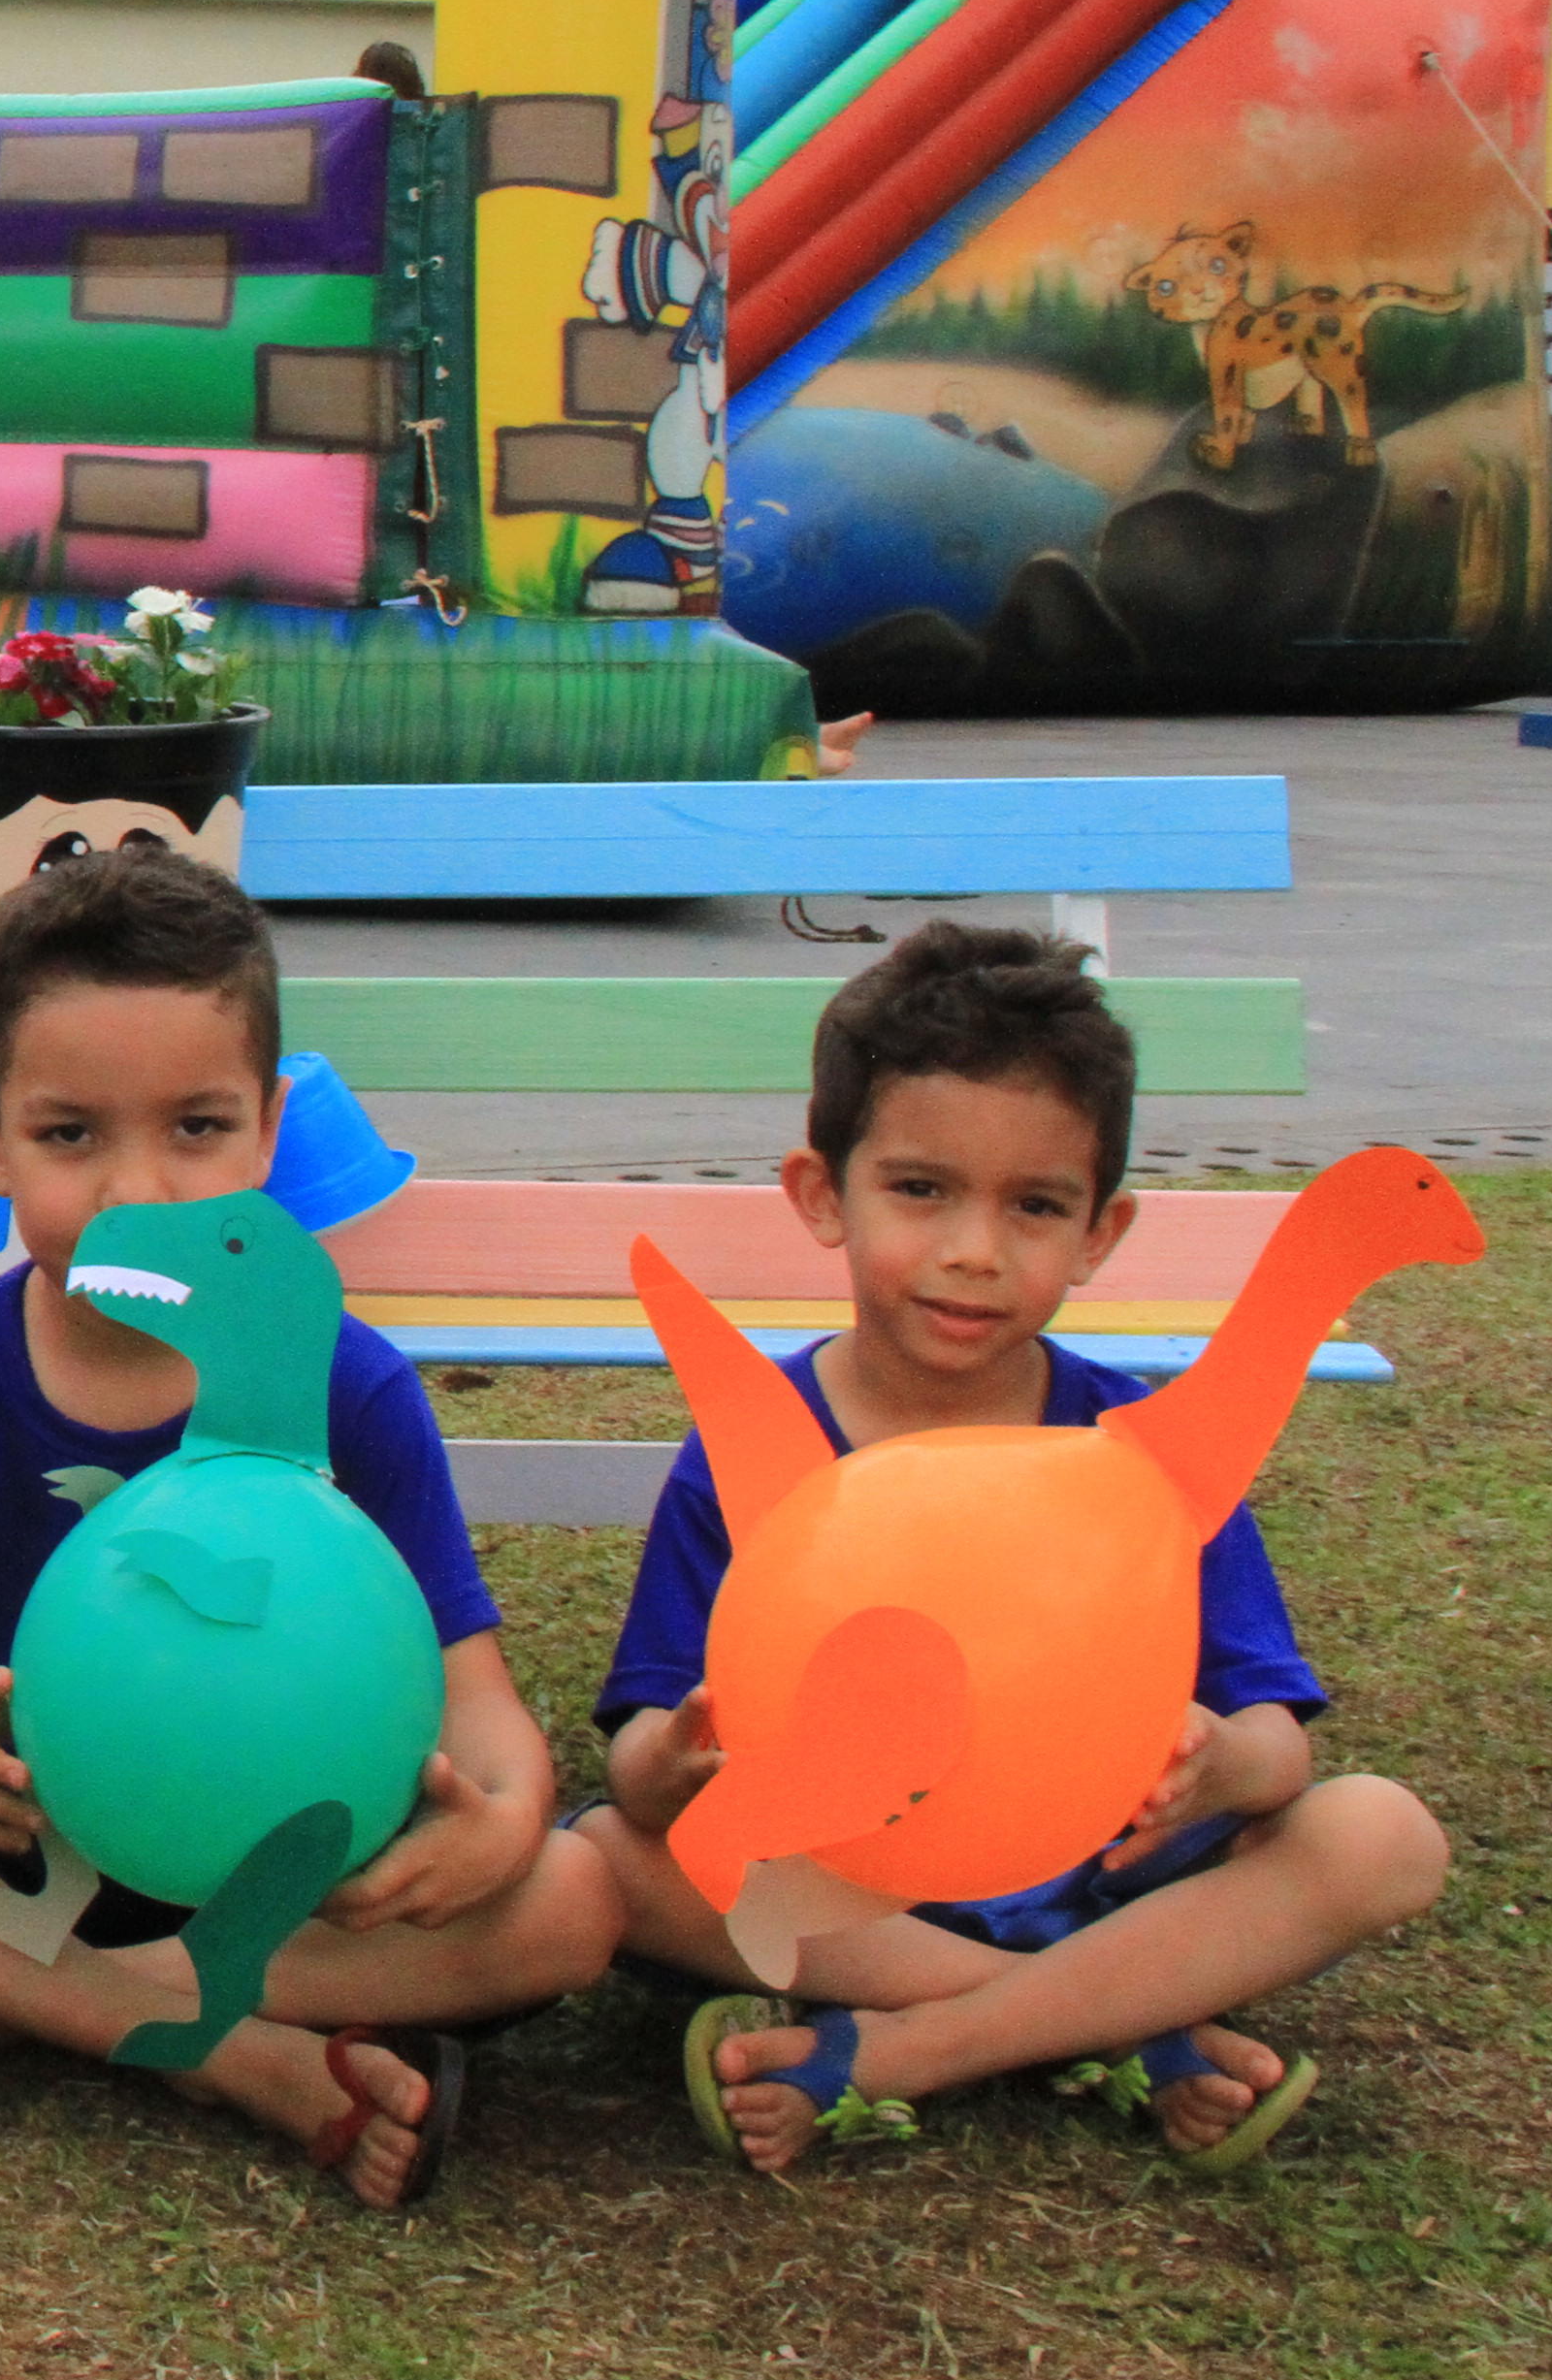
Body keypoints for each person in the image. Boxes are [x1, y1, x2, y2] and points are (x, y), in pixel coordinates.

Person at [0, 850, 617, 2211]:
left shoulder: (348, 1385)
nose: (142, 1192)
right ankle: (225, 2052)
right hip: (2, 1854)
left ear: (269, 1129)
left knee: (577, 1897)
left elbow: (474, 1697)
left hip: (278, 1889)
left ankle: (24, 2003)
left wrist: (506, 1815)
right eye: (72, 1136)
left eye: (195, 1129)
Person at [576, 922, 1453, 2175]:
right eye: (921, 1190)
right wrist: (679, 1754)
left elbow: (1278, 1743)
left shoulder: (1132, 1447)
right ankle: (1111, 2022)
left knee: (1381, 1835)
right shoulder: (751, 1450)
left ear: (1101, 1230)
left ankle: (912, 2052)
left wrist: (1213, 1772)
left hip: (1110, 1878)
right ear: (824, 1194)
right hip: (857, 1892)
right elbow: (640, 1772)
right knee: (611, 1859)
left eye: (1035, 1206)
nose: (975, 1250)